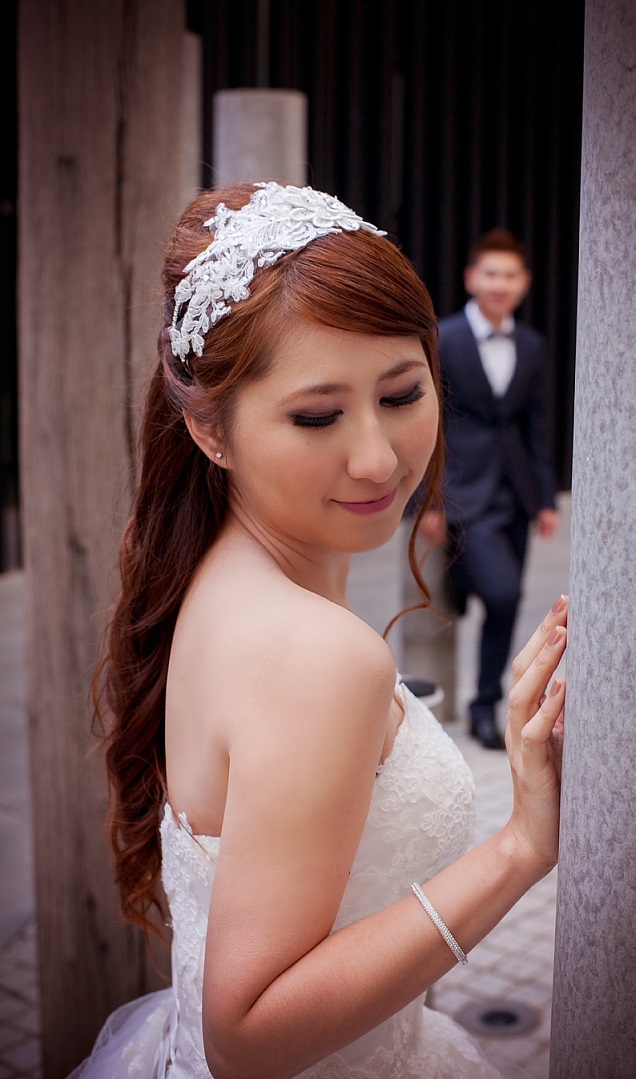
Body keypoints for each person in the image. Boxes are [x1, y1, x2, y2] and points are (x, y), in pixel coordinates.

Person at [71, 181, 568, 1079]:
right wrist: (521, 848)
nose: (377, 457)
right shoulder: (318, 656)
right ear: (210, 431)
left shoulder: (209, 566)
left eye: (403, 393)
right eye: (317, 415)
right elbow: (246, 1035)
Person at [421, 228, 559, 750]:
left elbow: (536, 425)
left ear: (524, 282)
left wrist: (544, 499)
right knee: (501, 592)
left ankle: (485, 705)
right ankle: (461, 580)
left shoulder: (532, 345)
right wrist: (428, 499)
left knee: (506, 603)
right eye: (491, 273)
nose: (500, 284)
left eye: (510, 275)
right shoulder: (444, 338)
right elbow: (427, 423)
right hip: (462, 491)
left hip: (515, 493)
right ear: (471, 278)